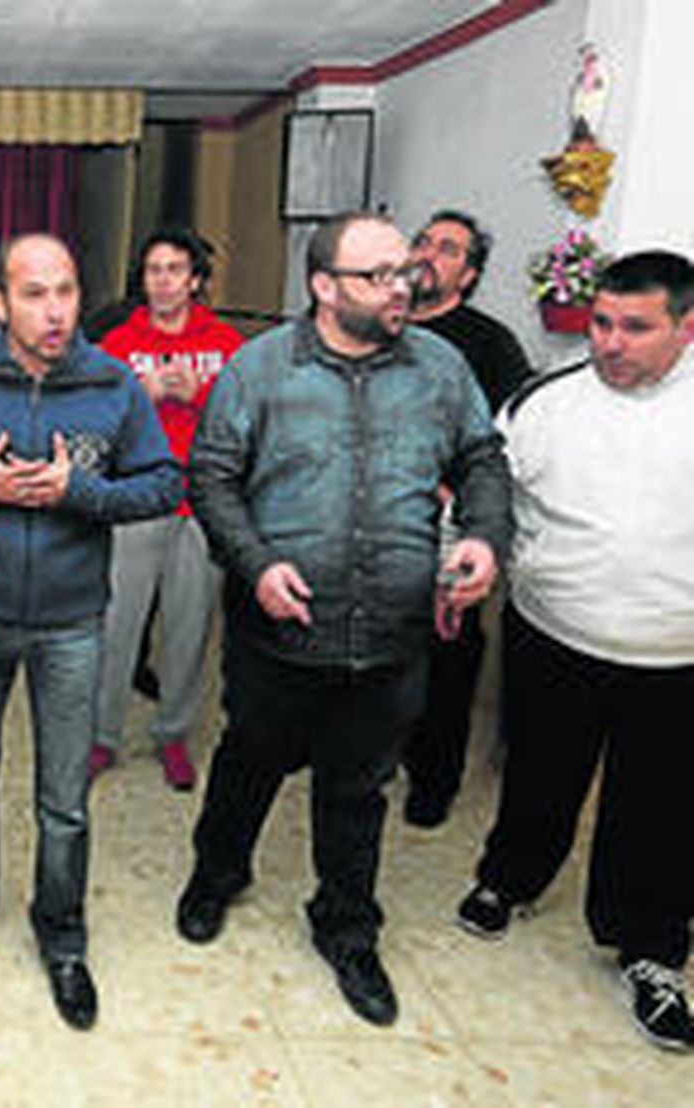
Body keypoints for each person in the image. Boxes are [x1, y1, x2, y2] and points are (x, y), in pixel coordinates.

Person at [175, 212, 511, 1027]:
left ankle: (348, 929)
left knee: (359, 789)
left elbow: (481, 459)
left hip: (393, 631)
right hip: (279, 629)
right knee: (250, 759)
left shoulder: (440, 367)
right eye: (380, 275)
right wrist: (255, 566)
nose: (404, 286)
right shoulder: (260, 369)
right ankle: (217, 875)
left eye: (406, 272)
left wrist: (483, 537)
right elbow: (213, 479)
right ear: (324, 286)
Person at [0, 233, 182, 1031]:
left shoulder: (113, 383)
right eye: (33, 294)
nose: (53, 312)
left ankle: (61, 931)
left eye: (65, 292)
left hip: (72, 623)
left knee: (64, 798)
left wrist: (81, 492)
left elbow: (162, 483)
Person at [456, 251, 694, 1052]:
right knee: (540, 772)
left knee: (661, 805)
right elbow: (487, 496)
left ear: (686, 328)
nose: (612, 343)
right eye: (600, 323)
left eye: (636, 327)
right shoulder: (543, 402)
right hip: (555, 633)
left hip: (677, 654)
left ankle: (653, 949)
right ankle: (507, 879)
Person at [92, 228, 243, 788]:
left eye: (174, 269)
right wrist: (143, 398)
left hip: (202, 503)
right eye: (153, 270)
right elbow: (93, 423)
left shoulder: (227, 344)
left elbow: (245, 425)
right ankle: (102, 737)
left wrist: (196, 395)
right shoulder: (116, 344)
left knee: (189, 625)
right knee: (117, 623)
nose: (162, 280)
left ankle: (173, 735)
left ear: (195, 280)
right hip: (136, 498)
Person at [400, 210, 532, 827]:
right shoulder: (379, 321)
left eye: (447, 248)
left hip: (448, 523)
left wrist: (461, 494)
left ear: (469, 273)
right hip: (374, 516)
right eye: (423, 240)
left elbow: (511, 438)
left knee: (446, 650)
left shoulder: (489, 342)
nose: (427, 252)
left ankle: (434, 774)